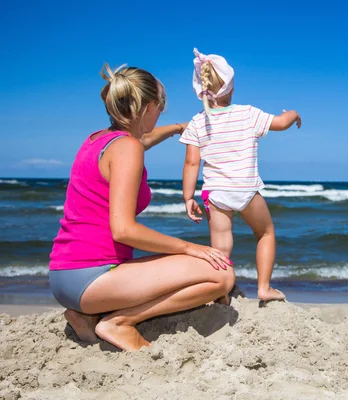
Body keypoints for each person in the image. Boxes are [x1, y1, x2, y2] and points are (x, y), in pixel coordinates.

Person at [48, 63, 235, 351]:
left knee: (208, 266)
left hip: (65, 276)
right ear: (148, 108)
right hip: (93, 277)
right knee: (222, 274)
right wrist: (189, 247)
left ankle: (85, 317)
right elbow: (123, 230)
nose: (162, 114)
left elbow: (141, 140)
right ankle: (119, 321)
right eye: (161, 108)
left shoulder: (99, 140)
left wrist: (177, 129)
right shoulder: (128, 149)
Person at [180, 49, 301, 302]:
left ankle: (221, 292)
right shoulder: (247, 113)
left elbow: (192, 162)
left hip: (215, 193)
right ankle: (264, 288)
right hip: (245, 189)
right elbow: (280, 122)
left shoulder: (197, 122)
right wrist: (293, 114)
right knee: (265, 233)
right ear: (231, 86)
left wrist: (188, 197)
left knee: (221, 246)